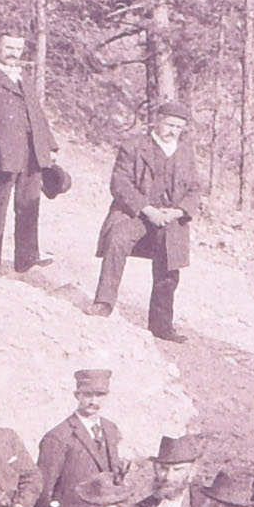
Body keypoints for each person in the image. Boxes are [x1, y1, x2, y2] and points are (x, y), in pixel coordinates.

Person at [93, 105, 197, 338]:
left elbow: (195, 190)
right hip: (137, 213)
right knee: (117, 239)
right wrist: (147, 210)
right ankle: (103, 303)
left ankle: (161, 325)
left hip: (170, 216)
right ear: (157, 121)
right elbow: (120, 184)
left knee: (170, 260)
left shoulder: (185, 152)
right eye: (169, 125)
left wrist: (178, 212)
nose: (173, 131)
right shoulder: (133, 146)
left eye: (179, 128)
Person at [0, 31, 56, 275]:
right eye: (8, 47)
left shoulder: (24, 75)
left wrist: (49, 146)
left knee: (29, 203)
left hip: (31, 150)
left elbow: (36, 111)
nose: (13, 53)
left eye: (18, 49)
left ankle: (27, 259)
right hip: (3, 149)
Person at [36, 365, 138, 507]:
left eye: (99, 395)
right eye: (87, 395)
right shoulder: (58, 437)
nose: (93, 401)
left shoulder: (110, 429)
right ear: (77, 396)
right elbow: (43, 492)